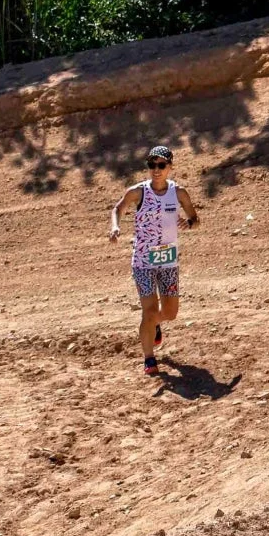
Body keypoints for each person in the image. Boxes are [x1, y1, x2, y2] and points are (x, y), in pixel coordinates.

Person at [108, 145, 201, 374]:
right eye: (152, 165)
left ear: (170, 167)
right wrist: (115, 227)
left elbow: (195, 219)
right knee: (148, 311)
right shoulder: (138, 192)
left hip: (168, 261)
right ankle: (149, 358)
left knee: (170, 313)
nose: (156, 170)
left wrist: (188, 223)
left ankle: (155, 324)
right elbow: (118, 208)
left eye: (161, 165)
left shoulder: (178, 193)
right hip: (143, 262)